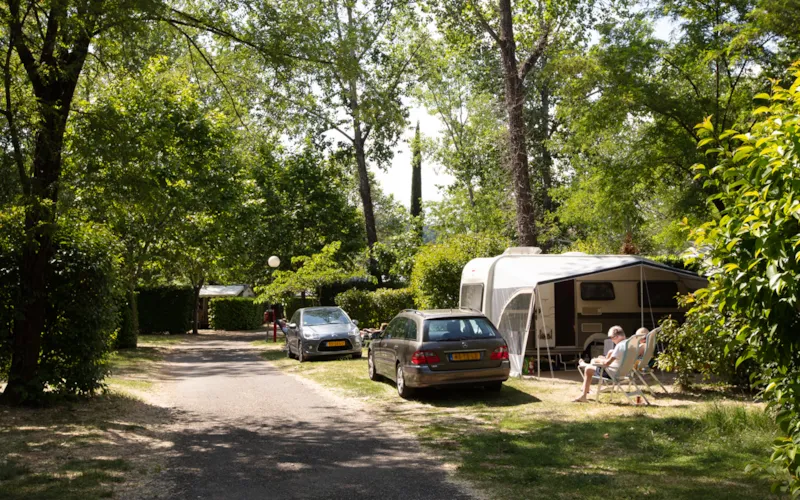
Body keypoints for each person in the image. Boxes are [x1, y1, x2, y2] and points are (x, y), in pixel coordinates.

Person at [573, 325, 627, 402]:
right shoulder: (629, 343)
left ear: (616, 336)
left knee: (589, 369)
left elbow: (607, 363)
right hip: (624, 372)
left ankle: (583, 396)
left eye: (611, 338)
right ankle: (585, 367)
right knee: (596, 362)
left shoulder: (619, 346)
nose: (611, 340)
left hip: (612, 373)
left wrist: (599, 360)